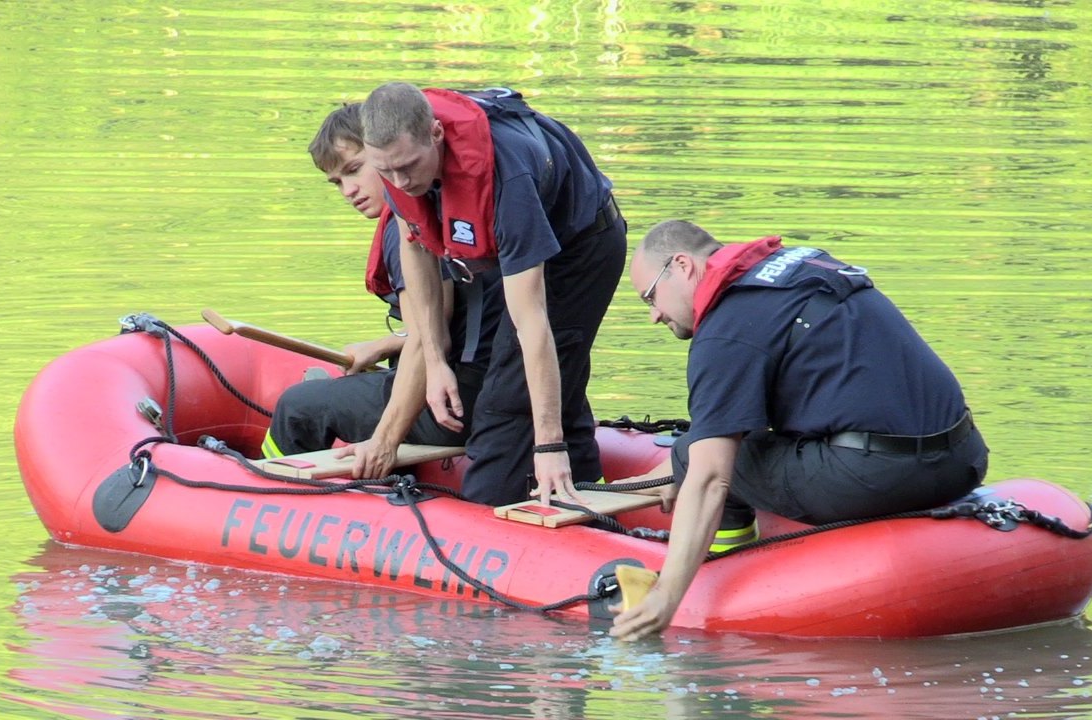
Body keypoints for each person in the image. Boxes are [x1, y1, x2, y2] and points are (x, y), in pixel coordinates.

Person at [610, 220, 989, 640]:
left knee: (692, 455)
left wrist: (665, 595)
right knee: (707, 448)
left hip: (880, 474)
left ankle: (721, 567)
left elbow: (712, 477)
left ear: (682, 265)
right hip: (963, 460)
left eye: (650, 296)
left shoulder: (726, 332)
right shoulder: (802, 264)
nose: (654, 315)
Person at [353, 83, 627, 506]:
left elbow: (532, 325)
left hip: (581, 248)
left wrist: (549, 446)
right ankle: (587, 496)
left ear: (437, 135)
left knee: (505, 401)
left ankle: (494, 499)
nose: (400, 182)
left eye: (408, 166)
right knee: (551, 384)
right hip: (521, 240)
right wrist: (434, 359)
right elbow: (416, 242)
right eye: (385, 172)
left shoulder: (507, 180)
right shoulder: (395, 162)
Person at [262, 103, 503, 458]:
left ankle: (266, 494)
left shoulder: (403, 230)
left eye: (355, 170)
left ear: (382, 151)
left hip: (454, 405)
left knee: (299, 407)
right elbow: (447, 320)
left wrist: (386, 438)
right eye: (337, 182)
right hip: (493, 388)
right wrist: (388, 343)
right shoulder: (444, 208)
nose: (348, 190)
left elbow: (429, 339)